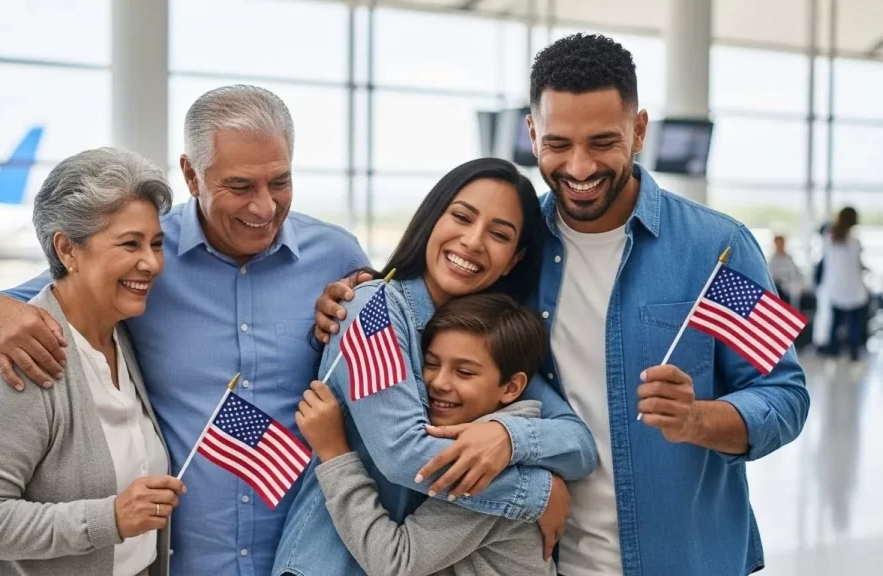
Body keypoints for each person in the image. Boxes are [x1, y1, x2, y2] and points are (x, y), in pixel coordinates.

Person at [314, 34, 809, 576]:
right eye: (558, 143)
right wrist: (354, 294)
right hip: (551, 561)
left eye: (602, 142)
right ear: (531, 133)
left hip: (688, 559)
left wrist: (697, 419)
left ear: (639, 130)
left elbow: (784, 397)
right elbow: (423, 310)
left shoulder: (718, 248)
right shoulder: (512, 252)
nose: (578, 166)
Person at [0, 85, 371, 575]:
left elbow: (405, 358)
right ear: (191, 174)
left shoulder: (336, 256)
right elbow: (52, 295)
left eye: (280, 181)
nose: (264, 208)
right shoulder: (140, 262)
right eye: (239, 186)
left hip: (304, 557)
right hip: (184, 561)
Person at [274, 157, 598, 576]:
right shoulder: (374, 307)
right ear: (432, 219)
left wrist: (506, 435)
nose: (473, 241)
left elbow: (578, 445)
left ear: (513, 260)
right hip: (328, 563)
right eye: (461, 217)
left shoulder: (482, 337)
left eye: (499, 234)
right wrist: (537, 491)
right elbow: (406, 456)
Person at [0, 147, 185, 576]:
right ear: (67, 250)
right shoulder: (23, 358)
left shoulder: (123, 336)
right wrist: (108, 519)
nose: (150, 262)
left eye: (156, 243)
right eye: (129, 243)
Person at [296, 293, 557, 576]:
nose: (440, 383)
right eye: (431, 364)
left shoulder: (485, 465)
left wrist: (335, 453)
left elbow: (394, 563)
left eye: (465, 372)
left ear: (510, 387)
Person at [822, 206, 869, 360]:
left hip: (835, 288)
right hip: (854, 290)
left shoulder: (829, 239)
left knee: (836, 323)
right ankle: (854, 353)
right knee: (855, 324)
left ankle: (833, 351)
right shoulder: (855, 242)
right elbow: (858, 265)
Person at [769, 234, 804, 306]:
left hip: (790, 290)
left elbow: (798, 275)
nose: (780, 246)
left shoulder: (789, 259)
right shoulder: (772, 261)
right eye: (778, 244)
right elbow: (771, 277)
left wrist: (798, 286)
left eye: (781, 243)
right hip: (778, 290)